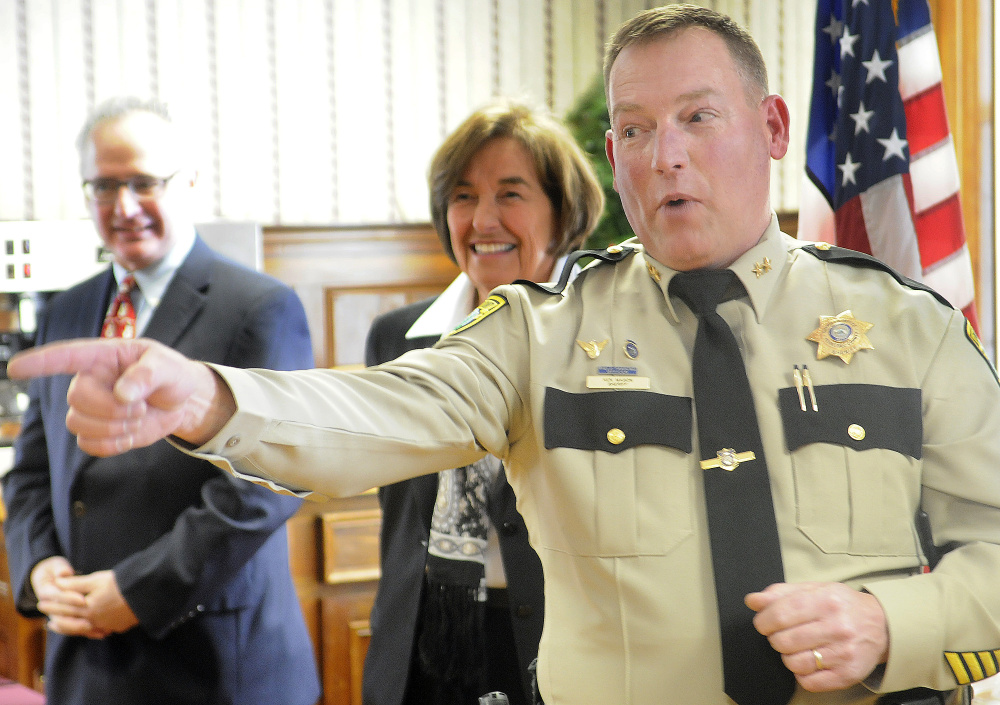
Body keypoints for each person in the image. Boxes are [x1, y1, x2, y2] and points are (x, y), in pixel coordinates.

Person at [9, 6, 1000, 704]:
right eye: (635, 129)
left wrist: (891, 623)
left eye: (699, 117)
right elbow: (377, 411)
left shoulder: (907, 328)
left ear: (772, 128)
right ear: (612, 159)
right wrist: (211, 398)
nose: (666, 154)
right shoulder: (538, 331)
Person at [0, 97, 320, 705]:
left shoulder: (257, 307)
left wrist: (135, 592)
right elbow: (33, 471)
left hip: (217, 660)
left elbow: (267, 483)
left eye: (144, 182)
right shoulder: (66, 310)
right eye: (104, 186)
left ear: (189, 182)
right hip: (87, 660)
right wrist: (40, 570)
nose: (123, 206)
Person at [362, 101, 603, 705]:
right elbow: (398, 512)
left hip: (562, 647)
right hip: (424, 644)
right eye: (463, 197)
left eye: (511, 194)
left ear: (563, 211)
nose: (482, 220)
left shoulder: (607, 333)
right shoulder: (398, 337)